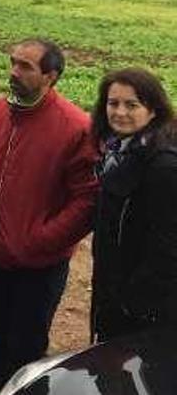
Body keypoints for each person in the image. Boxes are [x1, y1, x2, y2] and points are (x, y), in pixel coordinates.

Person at [0, 38, 98, 395]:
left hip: (39, 266)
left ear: (51, 76)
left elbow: (87, 201)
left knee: (26, 350)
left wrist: (39, 241)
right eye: (12, 62)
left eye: (25, 67)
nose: (13, 72)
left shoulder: (75, 127)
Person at [89, 67, 177, 341]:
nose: (120, 112)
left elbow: (168, 247)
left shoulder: (163, 167)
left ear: (153, 110)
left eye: (132, 105)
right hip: (112, 294)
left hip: (144, 312)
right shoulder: (115, 153)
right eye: (113, 103)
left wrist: (131, 302)